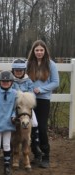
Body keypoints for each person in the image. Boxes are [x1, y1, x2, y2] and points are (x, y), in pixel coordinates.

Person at [26, 40, 59, 168]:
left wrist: (41, 89)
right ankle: (36, 154)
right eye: (37, 50)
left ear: (45, 51)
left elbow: (55, 82)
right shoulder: (28, 64)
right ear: (33, 52)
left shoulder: (51, 65)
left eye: (41, 50)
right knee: (31, 127)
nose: (39, 52)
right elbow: (23, 78)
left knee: (42, 128)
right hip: (30, 99)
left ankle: (46, 156)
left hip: (43, 99)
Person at [11, 58, 42, 161]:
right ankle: (6, 144)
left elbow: (31, 94)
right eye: (16, 71)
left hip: (26, 108)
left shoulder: (28, 81)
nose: (18, 73)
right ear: (13, 71)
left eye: (20, 71)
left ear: (24, 71)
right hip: (14, 107)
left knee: (35, 122)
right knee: (8, 121)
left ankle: (35, 142)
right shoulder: (10, 81)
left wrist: (23, 97)